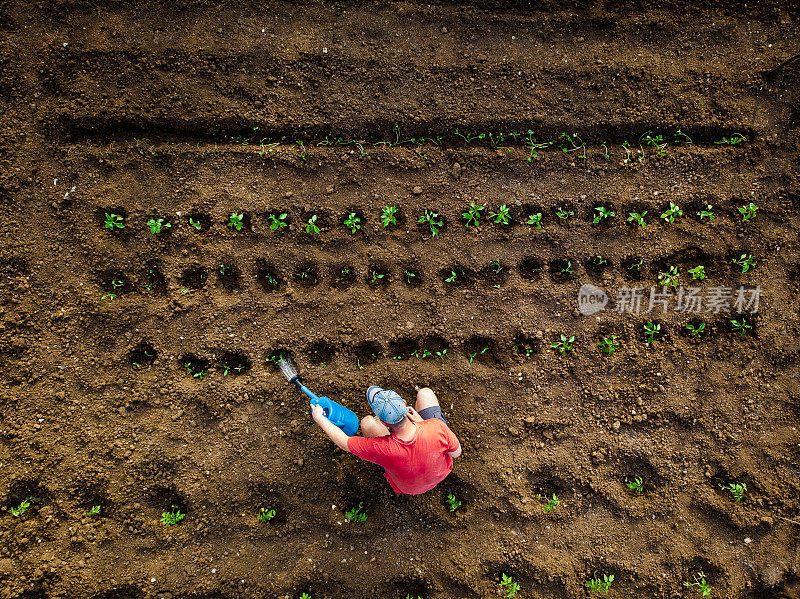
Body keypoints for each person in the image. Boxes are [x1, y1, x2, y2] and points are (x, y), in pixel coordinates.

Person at [310, 385, 461, 495]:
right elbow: (456, 453)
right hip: (441, 473)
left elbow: (344, 443)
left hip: (407, 488)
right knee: (425, 393)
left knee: (367, 423)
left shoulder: (382, 449)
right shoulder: (437, 427)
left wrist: (319, 418)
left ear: (383, 422)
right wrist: (424, 423)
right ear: (403, 403)